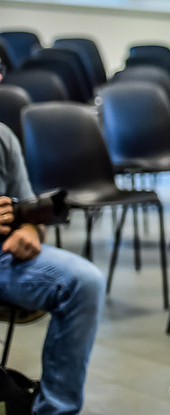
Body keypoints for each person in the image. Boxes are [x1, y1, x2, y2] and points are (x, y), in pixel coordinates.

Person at [0, 113, 104, 415]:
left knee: (85, 282)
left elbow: (29, 213)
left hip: (4, 255)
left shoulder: (2, 137)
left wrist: (29, 231)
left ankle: (55, 410)